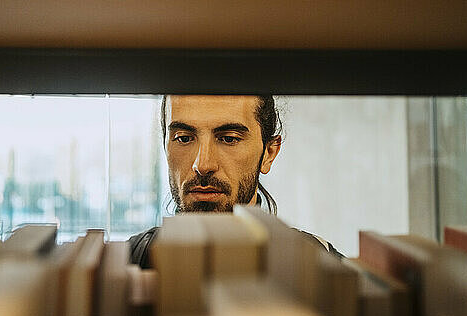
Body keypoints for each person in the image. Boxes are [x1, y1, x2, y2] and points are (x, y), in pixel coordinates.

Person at [128, 95, 342, 268]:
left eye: (229, 138)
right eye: (184, 138)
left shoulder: (322, 267)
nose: (202, 164)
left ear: (269, 152)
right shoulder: (129, 261)